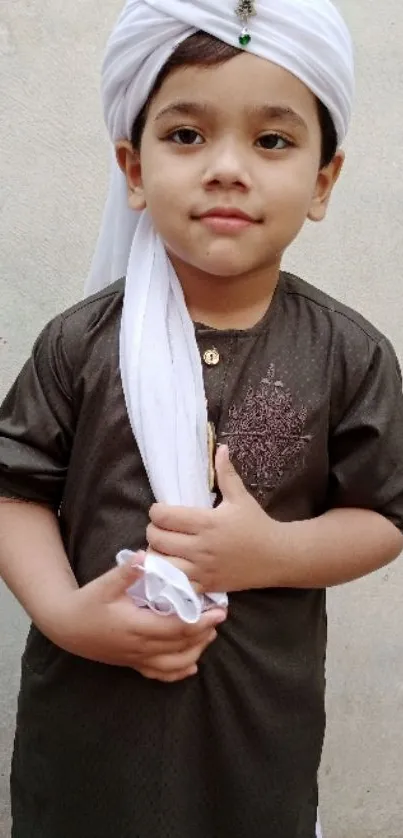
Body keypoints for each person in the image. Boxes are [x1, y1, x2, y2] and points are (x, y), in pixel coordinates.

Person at [0, 1, 402, 836]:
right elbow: (13, 491)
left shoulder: (348, 353)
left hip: (255, 738)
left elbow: (383, 514)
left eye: (272, 140)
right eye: (186, 135)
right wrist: (67, 616)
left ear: (323, 180)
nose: (226, 168)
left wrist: (271, 552)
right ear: (133, 170)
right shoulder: (80, 343)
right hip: (87, 732)